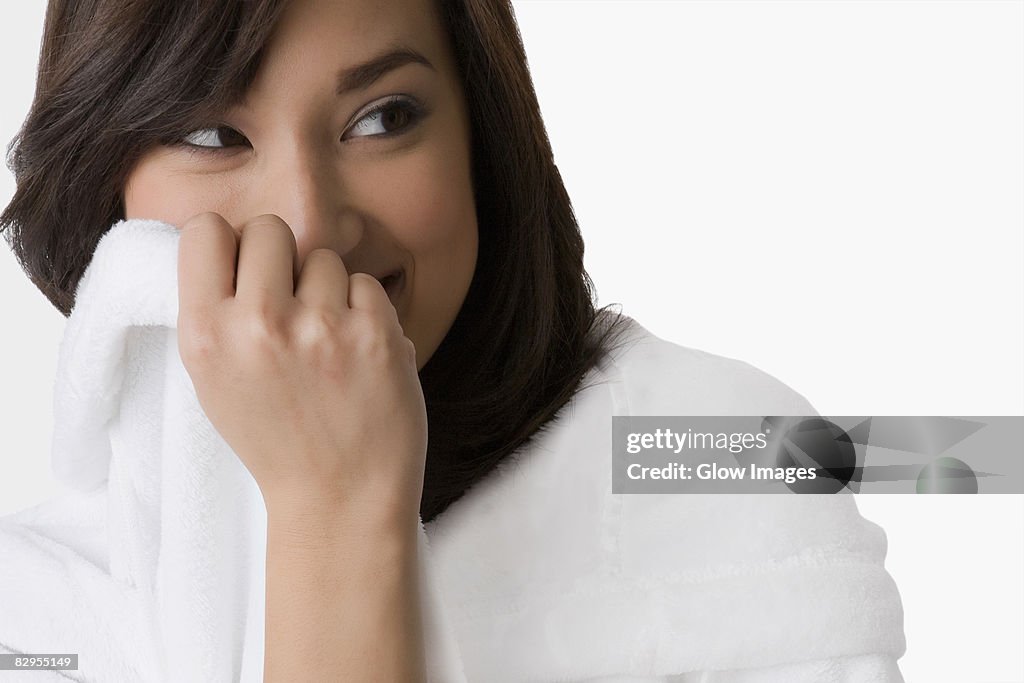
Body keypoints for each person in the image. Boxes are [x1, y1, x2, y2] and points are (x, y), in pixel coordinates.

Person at [0, 0, 906, 681]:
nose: (311, 224)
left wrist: (342, 506)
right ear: (101, 180)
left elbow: (958, 453)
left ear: (482, 137)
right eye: (211, 135)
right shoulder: (36, 599)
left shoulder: (713, 446)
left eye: (385, 117)